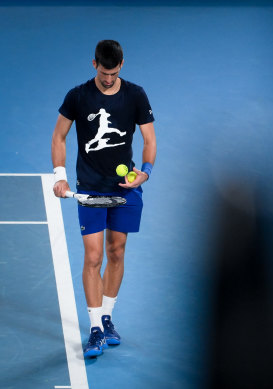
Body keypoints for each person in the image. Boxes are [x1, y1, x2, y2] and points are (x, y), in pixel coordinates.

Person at [51, 40, 157, 358]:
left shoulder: (136, 95)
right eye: (102, 71)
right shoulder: (78, 96)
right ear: (93, 63)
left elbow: (150, 140)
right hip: (90, 187)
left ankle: (108, 317)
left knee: (116, 251)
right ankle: (95, 328)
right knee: (94, 256)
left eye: (112, 72)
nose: (107, 78)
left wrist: (145, 173)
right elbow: (59, 135)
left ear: (121, 65)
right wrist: (59, 175)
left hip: (123, 188)